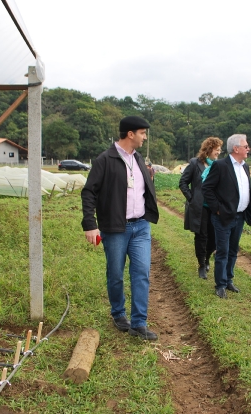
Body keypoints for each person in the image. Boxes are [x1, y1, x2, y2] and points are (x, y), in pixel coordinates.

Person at [81, 116, 159, 340]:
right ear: (130, 134)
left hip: (141, 227)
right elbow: (89, 192)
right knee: (115, 274)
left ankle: (139, 324)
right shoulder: (105, 159)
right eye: (143, 133)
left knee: (141, 273)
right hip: (116, 228)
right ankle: (118, 313)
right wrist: (90, 225)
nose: (145, 137)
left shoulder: (138, 158)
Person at [202, 134, 251, 299]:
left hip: (239, 217)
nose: (248, 149)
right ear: (236, 148)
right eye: (246, 146)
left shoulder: (245, 166)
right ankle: (220, 284)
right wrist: (217, 209)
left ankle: (229, 279)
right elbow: (207, 188)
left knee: (233, 250)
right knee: (223, 251)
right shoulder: (220, 165)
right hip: (223, 217)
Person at [179, 137, 224, 280]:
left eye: (219, 150)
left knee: (214, 238)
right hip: (199, 208)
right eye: (217, 150)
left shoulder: (218, 165)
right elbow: (183, 182)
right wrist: (192, 198)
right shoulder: (195, 163)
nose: (219, 152)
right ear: (209, 149)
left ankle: (207, 258)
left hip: (214, 207)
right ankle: (202, 265)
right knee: (201, 236)